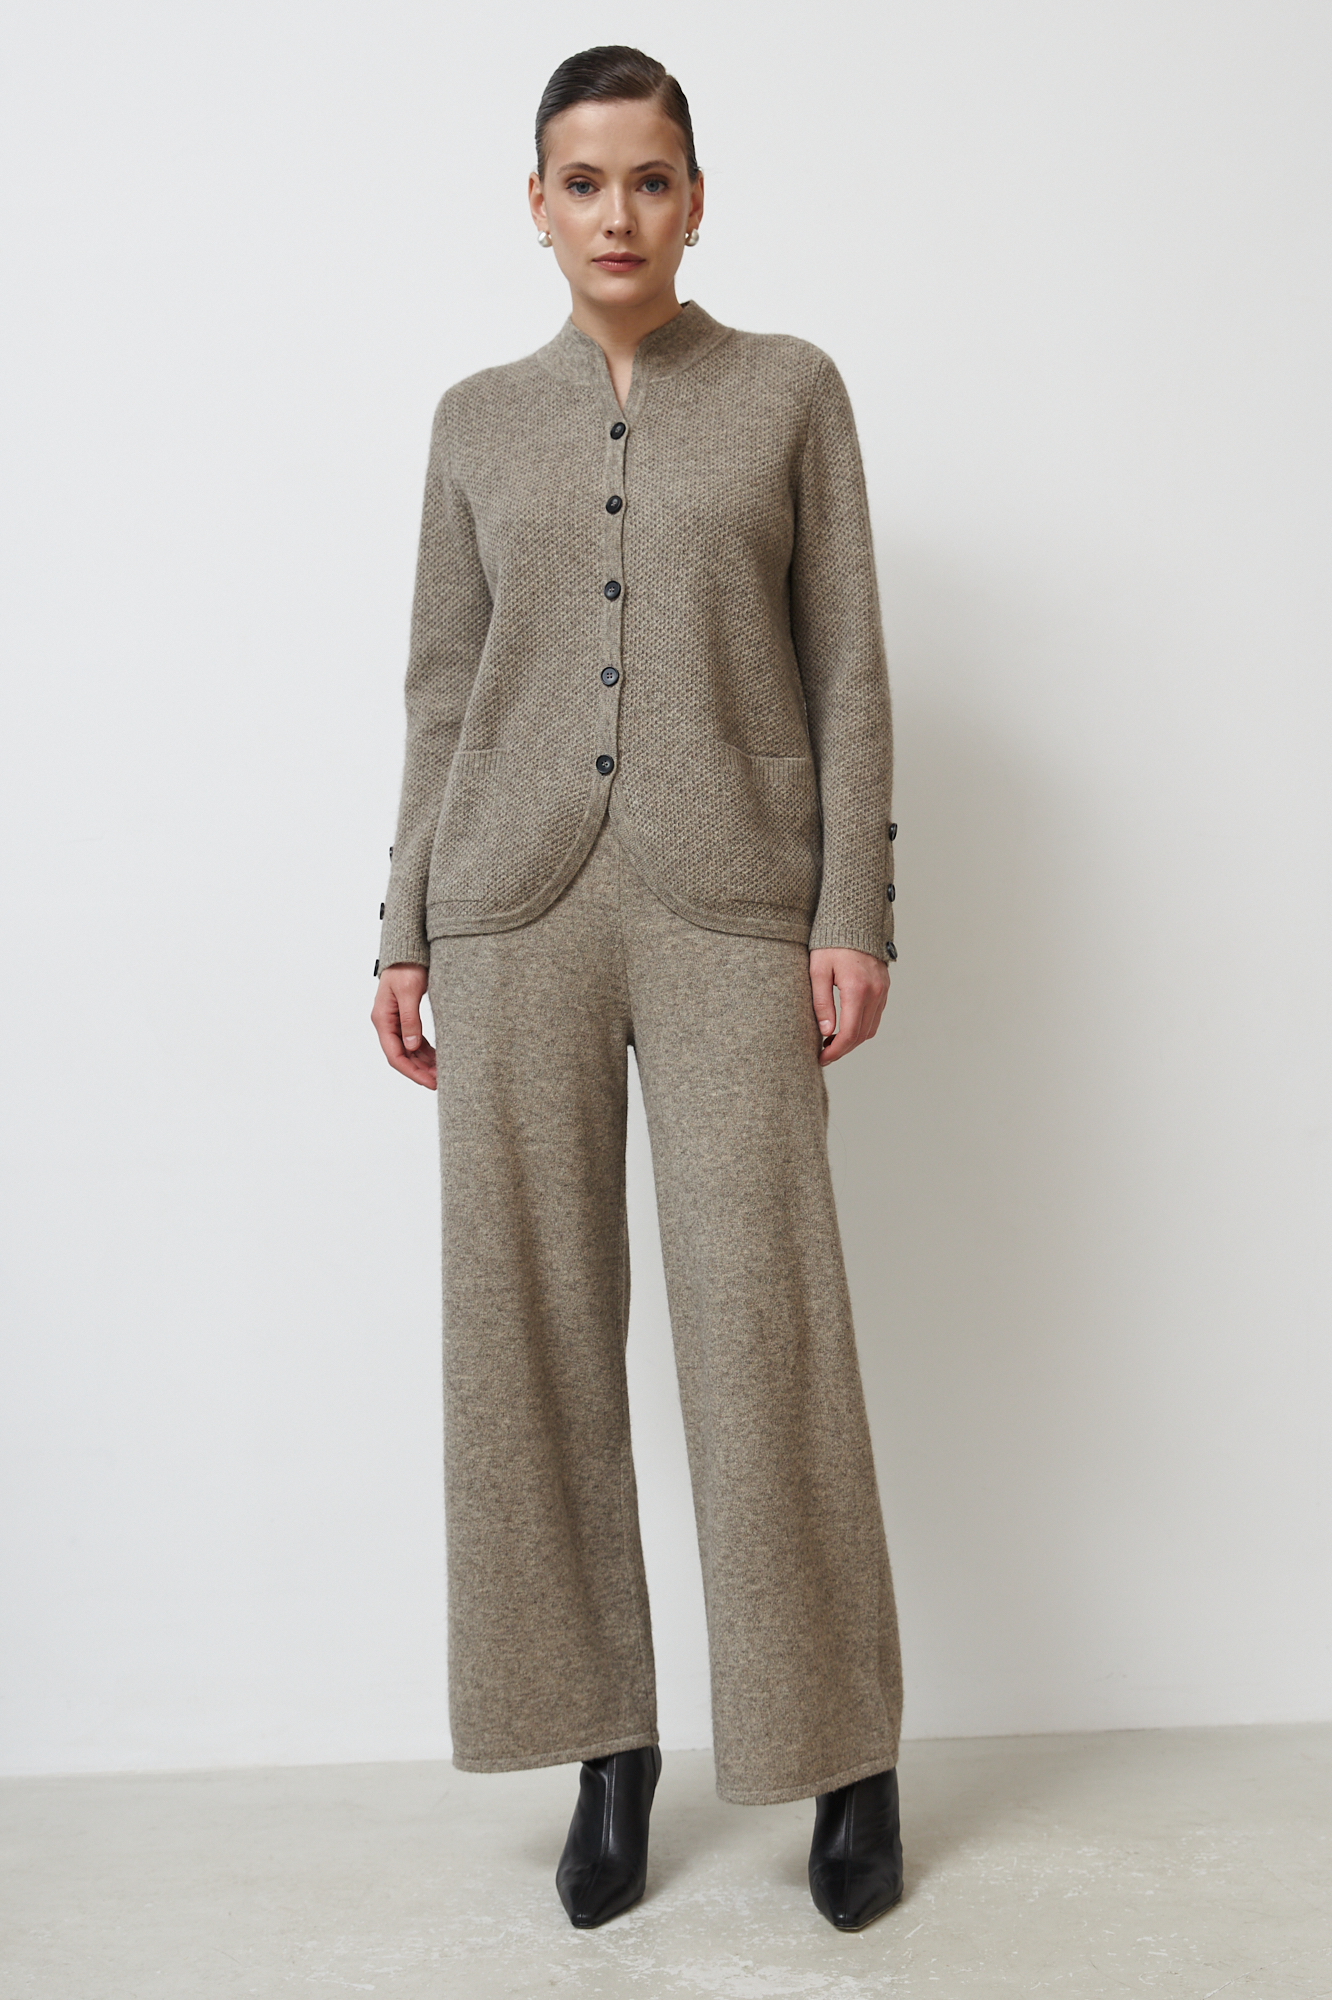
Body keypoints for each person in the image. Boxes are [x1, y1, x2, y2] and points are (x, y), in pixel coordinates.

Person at [369, 44, 904, 1934]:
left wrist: (853, 908)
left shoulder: (788, 393)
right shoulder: (472, 421)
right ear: (536, 205)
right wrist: (403, 923)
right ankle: (605, 1744)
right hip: (507, 905)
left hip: (733, 899)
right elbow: (443, 690)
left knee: (767, 1323)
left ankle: (842, 1752)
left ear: (694, 198)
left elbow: (846, 666)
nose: (618, 213)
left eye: (650, 179)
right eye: (583, 182)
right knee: (525, 1334)